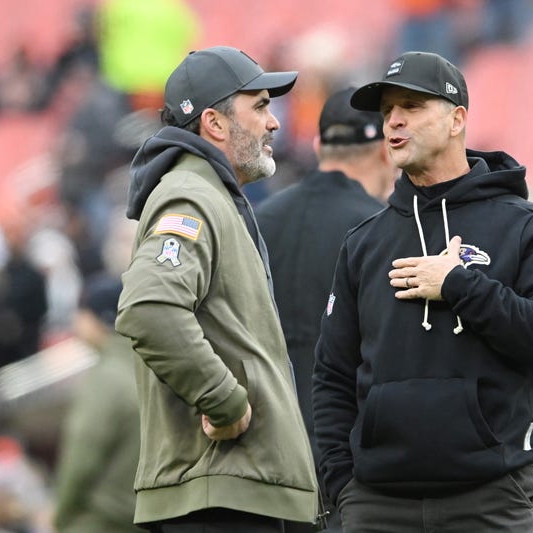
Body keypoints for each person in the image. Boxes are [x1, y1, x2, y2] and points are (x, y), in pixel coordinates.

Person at [312, 51, 533, 532]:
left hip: (490, 498)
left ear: (457, 119)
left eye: (412, 107)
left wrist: (459, 285)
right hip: (377, 505)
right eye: (388, 110)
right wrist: (342, 487)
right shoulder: (364, 243)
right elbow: (333, 375)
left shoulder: (524, 226)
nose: (394, 121)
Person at [115, 46, 319, 532]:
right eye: (261, 105)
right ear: (215, 122)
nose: (274, 123)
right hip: (220, 493)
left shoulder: (210, 194)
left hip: (229, 488)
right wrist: (225, 400)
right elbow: (149, 307)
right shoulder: (191, 194)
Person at [255, 87, 397, 532]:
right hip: (352, 467)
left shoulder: (256, 221)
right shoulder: (387, 233)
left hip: (261, 457)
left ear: (318, 147)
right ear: (385, 150)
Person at [54, 275, 143, 533]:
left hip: (104, 521)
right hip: (150, 517)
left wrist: (60, 515)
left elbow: (82, 458)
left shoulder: (107, 378)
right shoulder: (153, 365)